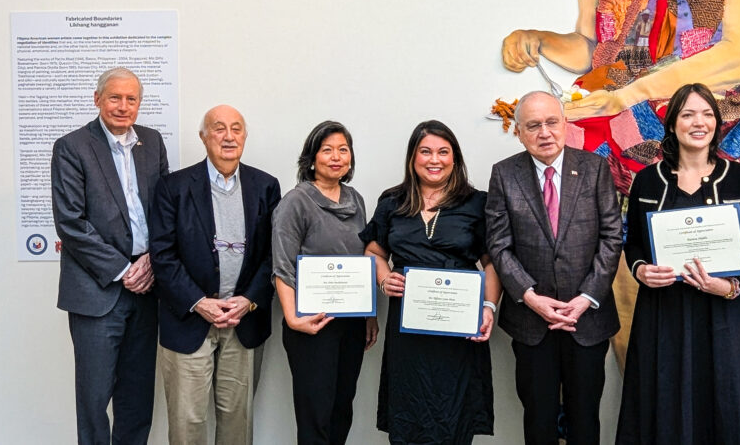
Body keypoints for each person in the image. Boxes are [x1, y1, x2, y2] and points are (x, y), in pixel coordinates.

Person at [616, 83, 740, 444]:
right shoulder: (646, 181)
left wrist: (732, 285)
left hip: (725, 315)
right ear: (672, 124)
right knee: (664, 398)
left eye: (707, 114)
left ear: (717, 123)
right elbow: (634, 243)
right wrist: (641, 270)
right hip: (663, 313)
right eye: (687, 114)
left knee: (728, 400)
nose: (698, 122)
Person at [485, 91, 622, 445]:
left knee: (585, 419)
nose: (544, 132)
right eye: (533, 125)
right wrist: (531, 297)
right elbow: (499, 245)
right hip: (532, 321)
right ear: (518, 131)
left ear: (564, 125)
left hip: (587, 319)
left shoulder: (594, 168)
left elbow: (611, 236)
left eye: (551, 122)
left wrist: (587, 296)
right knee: (539, 420)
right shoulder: (504, 174)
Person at [361, 120, 500, 445]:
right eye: (425, 151)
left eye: (442, 151)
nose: (434, 159)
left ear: (455, 158)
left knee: (455, 418)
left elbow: (492, 262)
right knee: (409, 418)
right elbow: (373, 250)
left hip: (460, 329)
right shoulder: (392, 201)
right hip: (408, 332)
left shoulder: (477, 203)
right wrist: (384, 280)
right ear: (413, 157)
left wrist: (489, 306)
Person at [149, 105, 281, 444]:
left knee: (238, 422)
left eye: (236, 128)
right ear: (203, 136)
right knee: (187, 421)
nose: (228, 136)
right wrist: (198, 302)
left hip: (244, 321)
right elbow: (162, 256)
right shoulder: (173, 187)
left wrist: (250, 300)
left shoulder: (266, 186)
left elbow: (273, 254)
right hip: (189, 319)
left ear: (245, 136)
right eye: (219, 128)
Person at [51, 67, 169, 445]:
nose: (123, 106)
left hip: (147, 289)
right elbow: (70, 223)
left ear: (139, 103)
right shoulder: (72, 147)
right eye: (114, 97)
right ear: (97, 99)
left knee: (137, 397)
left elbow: (165, 209)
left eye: (131, 99)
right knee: (94, 398)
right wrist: (123, 269)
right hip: (97, 293)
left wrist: (151, 258)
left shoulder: (151, 142)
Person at [272, 121, 379, 444]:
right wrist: (293, 319)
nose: (336, 157)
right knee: (315, 415)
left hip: (350, 324)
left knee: (341, 409)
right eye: (327, 149)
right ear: (312, 157)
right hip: (311, 325)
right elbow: (282, 265)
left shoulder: (356, 199)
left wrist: (369, 315)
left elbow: (364, 260)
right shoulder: (296, 201)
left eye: (343, 150)